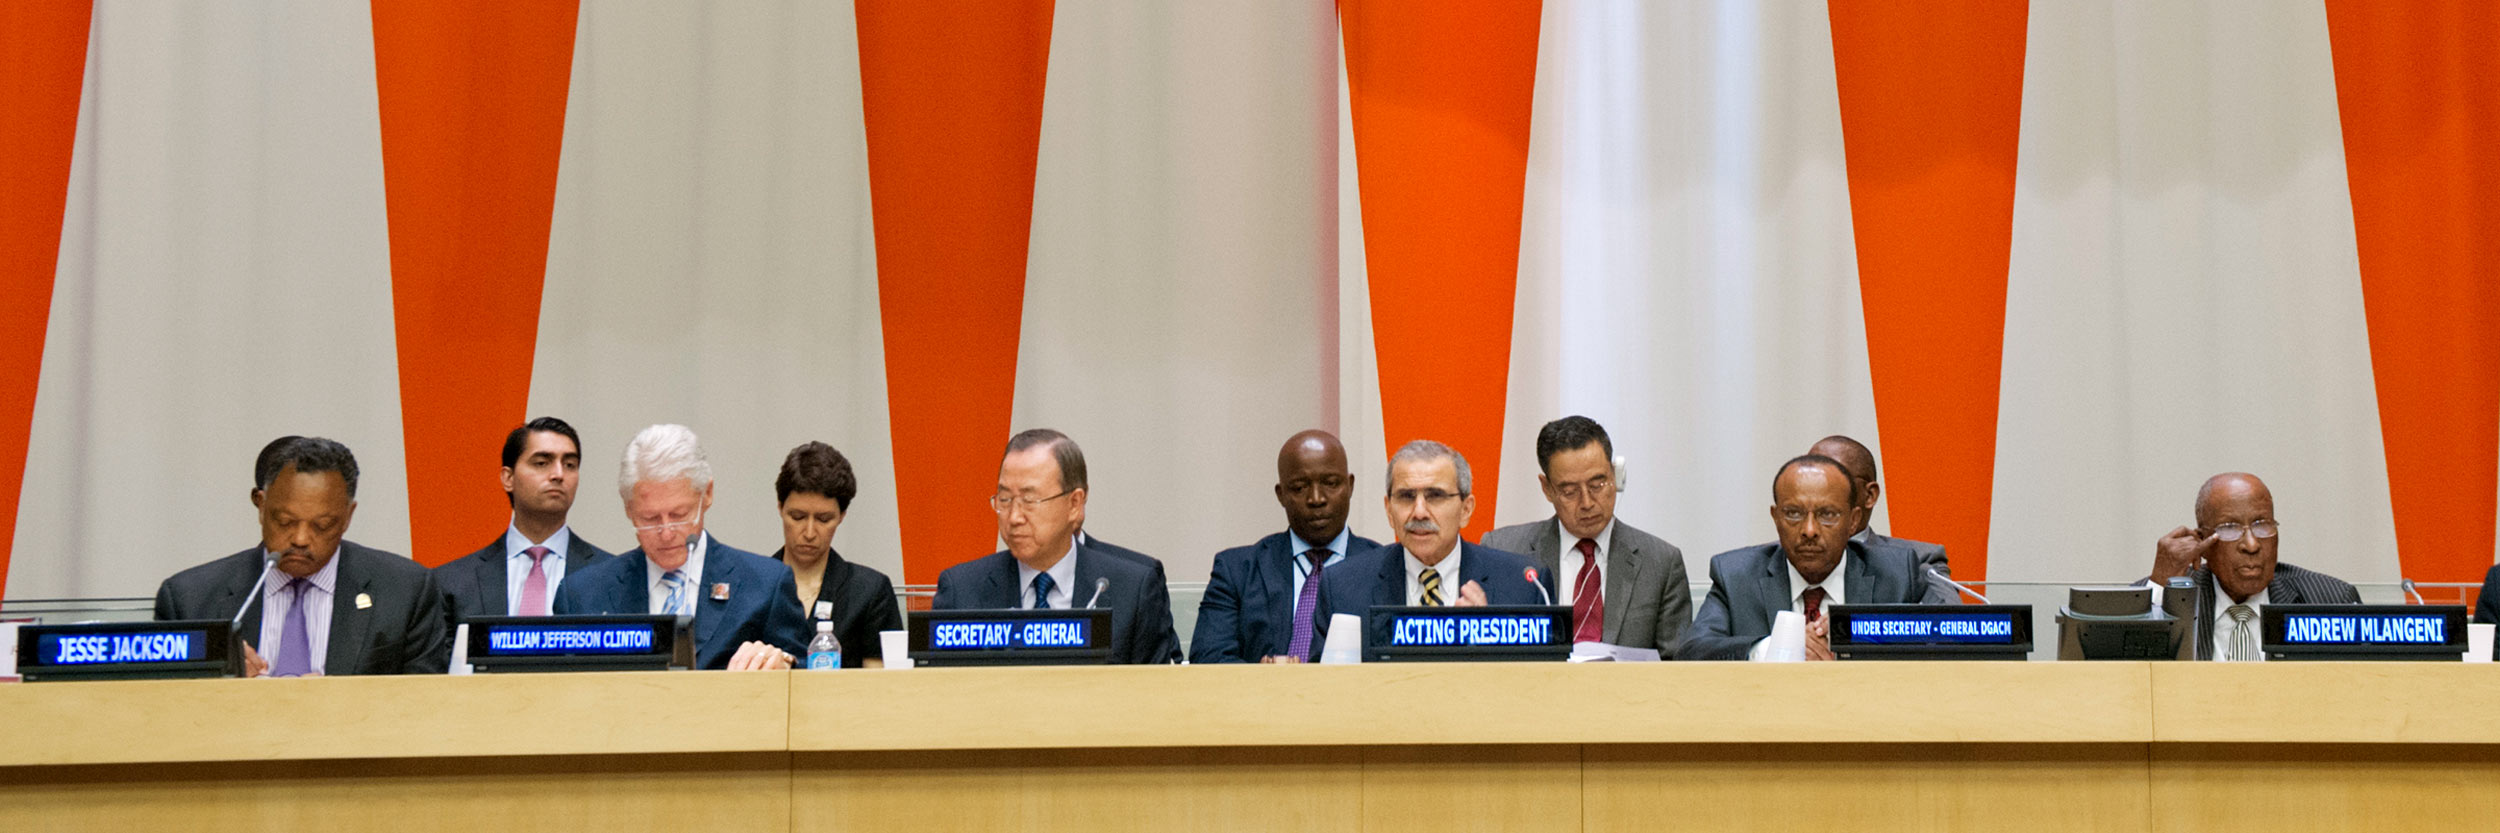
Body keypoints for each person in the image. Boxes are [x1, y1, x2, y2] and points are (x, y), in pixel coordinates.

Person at [153, 436, 450, 676]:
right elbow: (158, 714)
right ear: (260, 504)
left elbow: (423, 710)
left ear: (348, 516)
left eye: (323, 525)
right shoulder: (189, 599)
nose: (300, 539)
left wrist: (333, 706)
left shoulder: (404, 592)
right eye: (284, 521)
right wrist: (219, 682)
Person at [553, 424, 807, 670]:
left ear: (706, 495)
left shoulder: (765, 585)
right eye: (650, 519)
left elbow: (810, 674)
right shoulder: (582, 595)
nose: (666, 533)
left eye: (679, 515)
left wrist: (784, 662)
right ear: (628, 508)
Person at [931, 429, 1183, 664]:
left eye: (1029, 500)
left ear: (1074, 504)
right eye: (1005, 499)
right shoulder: (961, 591)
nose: (1014, 517)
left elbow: (1158, 695)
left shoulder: (1132, 589)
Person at [1680, 454, 1953, 661]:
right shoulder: (1737, 575)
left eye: (1827, 515)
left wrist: (1858, 637)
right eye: (1794, 514)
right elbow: (1692, 652)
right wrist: (1776, 647)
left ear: (1854, 520)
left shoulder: (1896, 571)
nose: (1809, 530)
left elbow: (1948, 642)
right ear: (1776, 518)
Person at [1307, 440, 1550, 657]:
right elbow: (1324, 692)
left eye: (1435, 496)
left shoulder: (1522, 586)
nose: (1419, 511)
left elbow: (1539, 691)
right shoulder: (1343, 588)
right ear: (1389, 510)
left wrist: (1486, 640)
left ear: (1466, 509)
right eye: (1406, 496)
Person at [1484, 417, 1691, 657]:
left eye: (1598, 484)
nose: (1587, 503)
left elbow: (1677, 667)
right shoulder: (1504, 552)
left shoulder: (1660, 563)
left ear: (1615, 475)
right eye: (1569, 491)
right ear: (1547, 488)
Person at [1191, 430, 1383, 663]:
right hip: (1259, 698)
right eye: (1300, 487)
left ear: (1350, 486)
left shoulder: (1383, 568)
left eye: (1331, 483)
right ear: (1281, 495)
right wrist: (1262, 681)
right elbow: (1208, 659)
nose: (1316, 499)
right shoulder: (1237, 571)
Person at [2147, 472, 2359, 661]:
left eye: (2262, 525)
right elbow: (2130, 684)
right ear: (2202, 544)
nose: (2252, 544)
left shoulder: (2329, 601)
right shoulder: (2172, 599)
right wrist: (2158, 589)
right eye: (2229, 528)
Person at [434, 417, 616, 623]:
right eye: (541, 463)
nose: (558, 474)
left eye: (570, 464)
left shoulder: (613, 577)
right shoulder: (452, 582)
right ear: (508, 478)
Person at [769, 441, 902, 668]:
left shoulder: (869, 591)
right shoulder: (753, 585)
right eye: (798, 517)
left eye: (823, 520)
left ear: (842, 515)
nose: (809, 533)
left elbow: (882, 689)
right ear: (780, 508)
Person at [1807, 435, 1952, 583]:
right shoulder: (1782, 558)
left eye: (1831, 478)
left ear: (1869, 495)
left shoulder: (1917, 561)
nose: (1814, 488)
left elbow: (1944, 605)